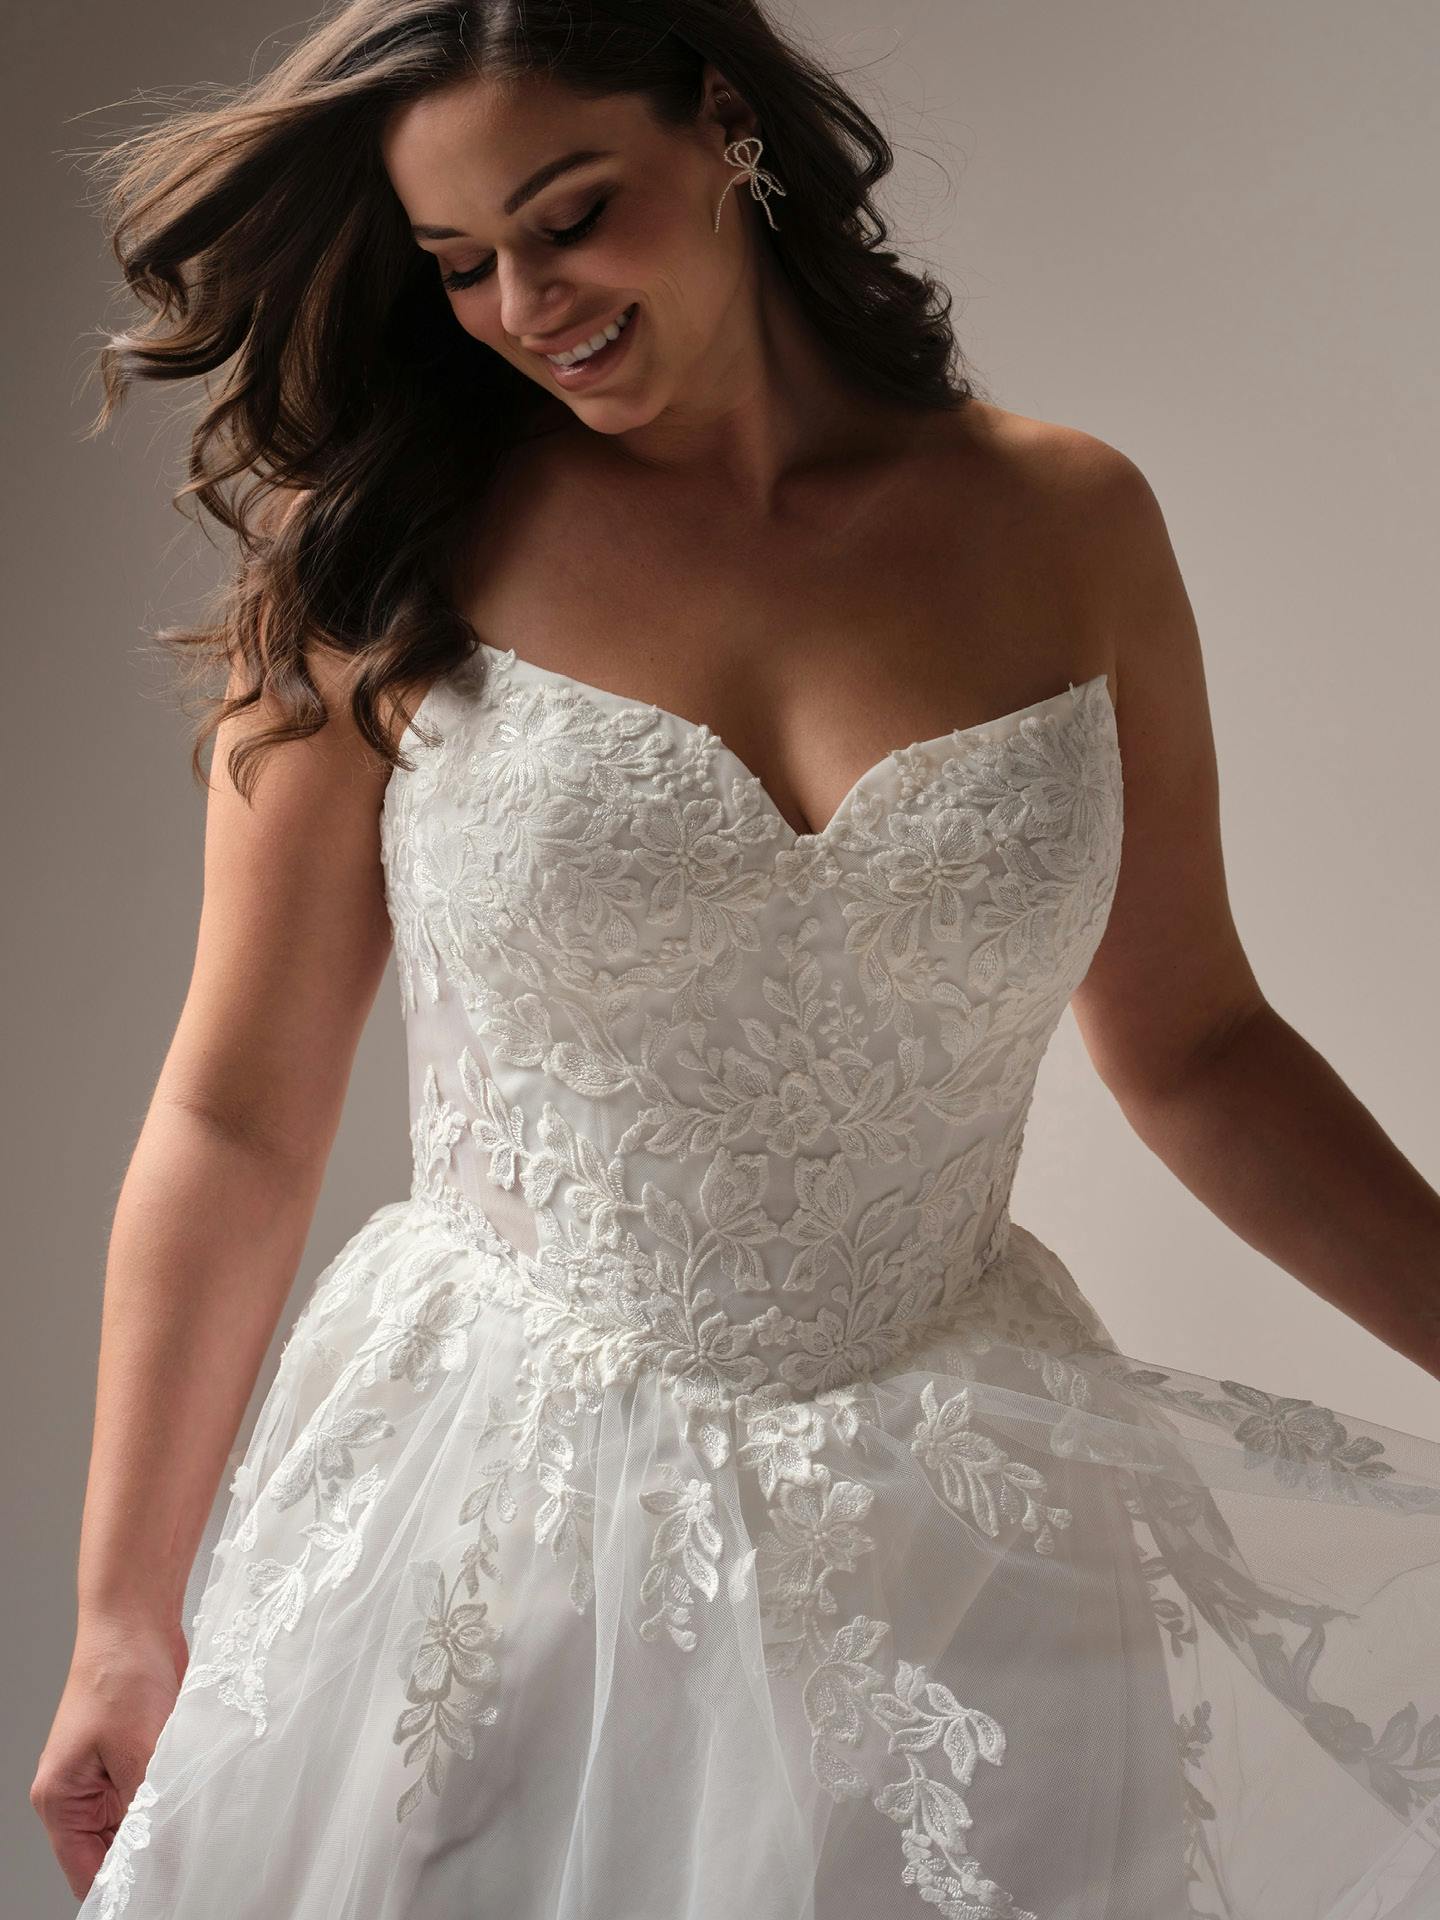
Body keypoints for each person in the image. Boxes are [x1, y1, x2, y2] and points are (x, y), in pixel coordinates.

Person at [31, 3, 1440, 1915]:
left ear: (719, 122)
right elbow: (235, 1114)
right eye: (460, 264)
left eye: (570, 215)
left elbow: (1195, 1043)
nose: (526, 301)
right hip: (498, 1538)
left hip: (974, 1566)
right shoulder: (381, 564)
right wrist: (124, 1613)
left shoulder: (1070, 524)